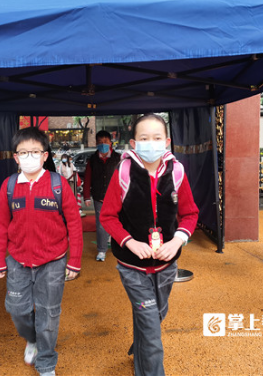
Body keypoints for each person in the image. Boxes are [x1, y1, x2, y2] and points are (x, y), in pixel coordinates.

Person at [100, 114, 198, 375]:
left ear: (167, 141)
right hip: (132, 267)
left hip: (166, 266)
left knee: (155, 315)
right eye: (144, 138)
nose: (151, 143)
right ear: (133, 143)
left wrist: (177, 240)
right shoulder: (123, 172)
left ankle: (141, 346)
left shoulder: (177, 172)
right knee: (153, 334)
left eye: (157, 138)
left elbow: (190, 213)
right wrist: (129, 242)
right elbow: (107, 216)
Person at [0, 127, 83, 376]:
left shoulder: (58, 185)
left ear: (45, 156)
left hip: (53, 261)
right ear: (16, 157)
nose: (29, 156)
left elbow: (74, 224)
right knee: (17, 310)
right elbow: (0, 225)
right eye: (23, 152)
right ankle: (32, 338)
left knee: (48, 313)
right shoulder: (9, 186)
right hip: (18, 261)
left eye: (35, 151)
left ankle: (46, 362)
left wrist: (74, 261)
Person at [83, 130, 121, 261]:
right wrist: (86, 196)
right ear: (96, 143)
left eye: (105, 142)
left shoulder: (118, 158)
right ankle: (101, 250)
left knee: (117, 222)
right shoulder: (93, 159)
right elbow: (87, 178)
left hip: (116, 197)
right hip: (98, 196)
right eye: (100, 142)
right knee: (100, 225)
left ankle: (118, 245)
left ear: (110, 143)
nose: (103, 144)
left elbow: (124, 176)